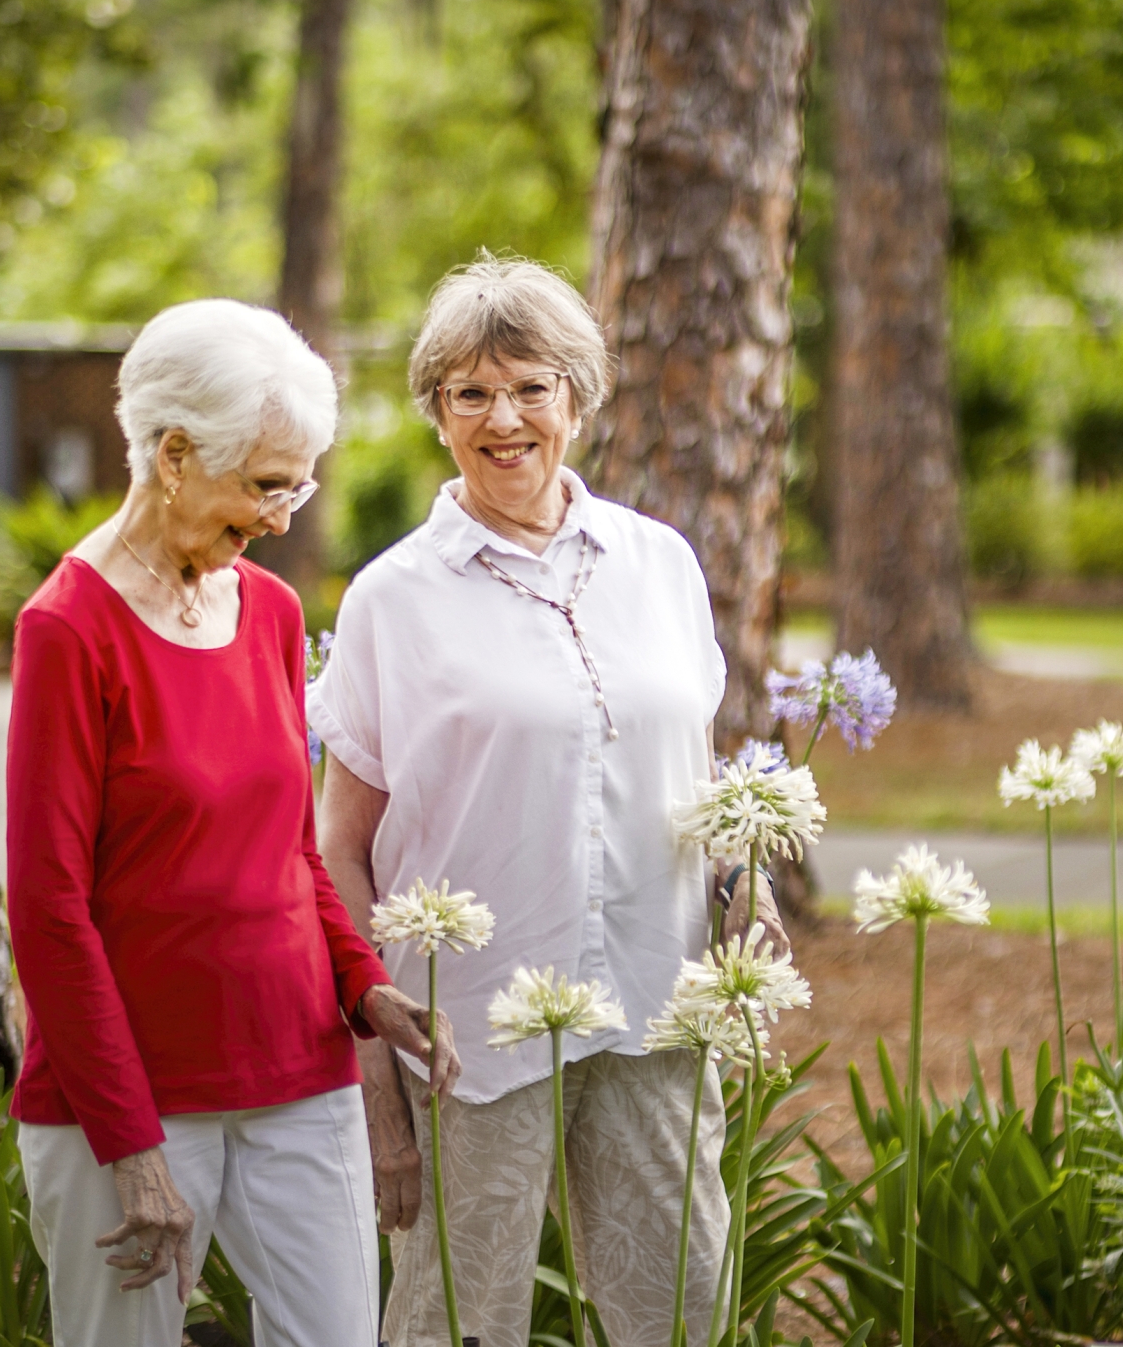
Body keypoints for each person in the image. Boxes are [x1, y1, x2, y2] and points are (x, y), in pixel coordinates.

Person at [310, 256, 788, 1347]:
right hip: (470, 1031)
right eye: (469, 393)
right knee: (455, 1323)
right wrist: (376, 1065)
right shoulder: (394, 595)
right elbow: (339, 844)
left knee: (680, 1310)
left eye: (530, 386)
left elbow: (690, 781)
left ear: (576, 395)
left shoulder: (659, 565)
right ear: (437, 414)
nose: (503, 418)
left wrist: (741, 880)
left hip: (654, 1006)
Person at [6, 297, 461, 1347]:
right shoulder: (68, 630)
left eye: (299, 482)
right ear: (172, 455)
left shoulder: (270, 610)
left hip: (297, 1070)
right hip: (128, 1101)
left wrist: (364, 985)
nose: (287, 513)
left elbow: (291, 849)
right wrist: (129, 1145)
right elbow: (48, 909)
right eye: (266, 484)